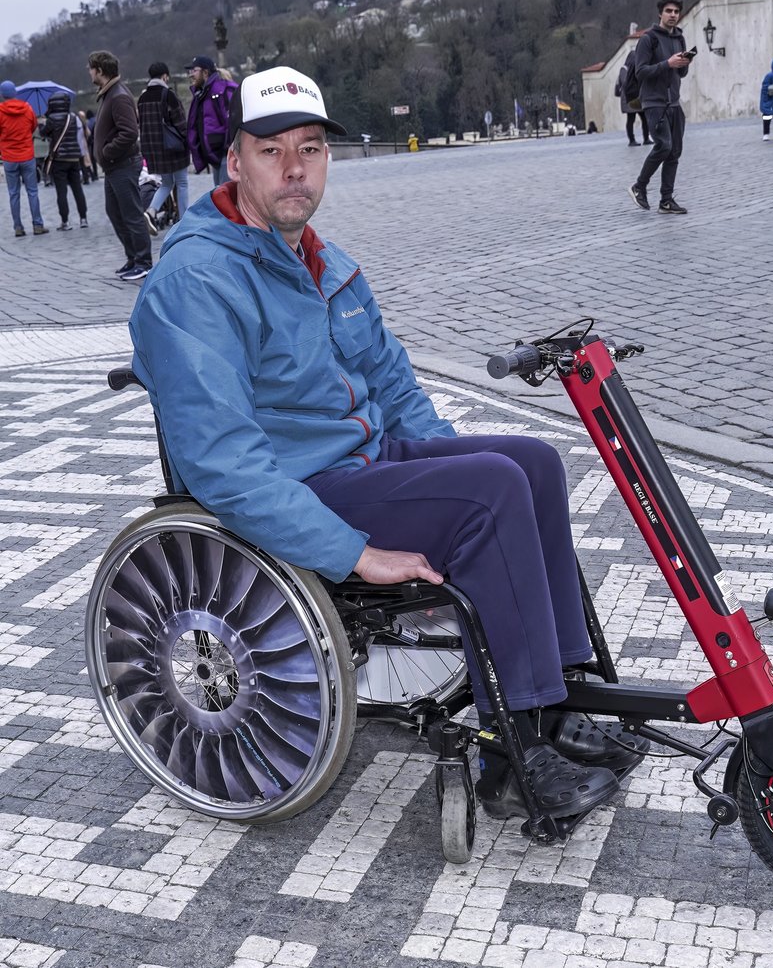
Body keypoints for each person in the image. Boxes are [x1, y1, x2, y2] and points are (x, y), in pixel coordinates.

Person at [128, 65, 650, 822]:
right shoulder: (195, 282)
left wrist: (453, 467)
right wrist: (356, 553)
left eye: (310, 147)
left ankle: (559, 694)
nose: (295, 167)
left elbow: (397, 387)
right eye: (271, 150)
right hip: (299, 489)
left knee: (528, 466)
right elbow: (224, 467)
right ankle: (513, 752)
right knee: (490, 494)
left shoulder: (325, 262)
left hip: (366, 461)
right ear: (234, 160)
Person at [88, 50, 154, 280]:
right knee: (115, 212)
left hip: (123, 164)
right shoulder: (109, 94)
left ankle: (144, 261)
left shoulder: (118, 96)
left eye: (91, 69)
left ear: (100, 70)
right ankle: (133, 257)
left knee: (131, 214)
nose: (89, 73)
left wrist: (107, 152)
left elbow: (129, 132)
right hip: (114, 166)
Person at [628, 0, 692, 214]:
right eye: (669, 11)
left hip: (674, 102)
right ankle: (639, 186)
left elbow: (681, 73)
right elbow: (641, 72)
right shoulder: (648, 39)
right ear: (660, 14)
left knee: (674, 151)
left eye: (676, 12)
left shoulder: (680, 38)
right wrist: (667, 63)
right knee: (663, 145)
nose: (673, 15)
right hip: (654, 103)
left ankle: (666, 201)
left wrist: (683, 64)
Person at [137, 62, 191, 229]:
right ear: (164, 76)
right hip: (173, 147)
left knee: (167, 183)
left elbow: (142, 125)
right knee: (181, 183)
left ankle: (151, 211)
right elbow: (180, 122)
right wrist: (188, 140)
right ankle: (184, 221)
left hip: (155, 149)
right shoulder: (168, 94)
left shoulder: (142, 98)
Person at [0, 80, 48, 236]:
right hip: (27, 156)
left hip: (9, 157)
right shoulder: (27, 109)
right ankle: (37, 225)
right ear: (15, 93)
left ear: (2, 95)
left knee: (13, 194)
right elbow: (33, 127)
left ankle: (18, 228)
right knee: (32, 192)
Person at [185, 56, 238, 186]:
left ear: (205, 72)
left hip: (226, 152)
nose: (191, 75)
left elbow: (232, 120)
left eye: (194, 70)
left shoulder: (222, 90)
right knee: (220, 194)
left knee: (225, 195)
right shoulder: (201, 94)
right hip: (215, 155)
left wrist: (228, 147)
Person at [40, 92, 88, 231]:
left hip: (59, 159)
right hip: (74, 157)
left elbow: (44, 133)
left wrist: (43, 123)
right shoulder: (73, 117)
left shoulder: (52, 119)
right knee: (78, 189)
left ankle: (65, 222)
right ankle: (83, 218)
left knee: (61, 192)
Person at [616, 49, 650, 146]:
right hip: (628, 98)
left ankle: (646, 138)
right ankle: (632, 140)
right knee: (631, 119)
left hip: (637, 97)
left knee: (644, 118)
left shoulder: (634, 68)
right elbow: (626, 84)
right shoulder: (624, 69)